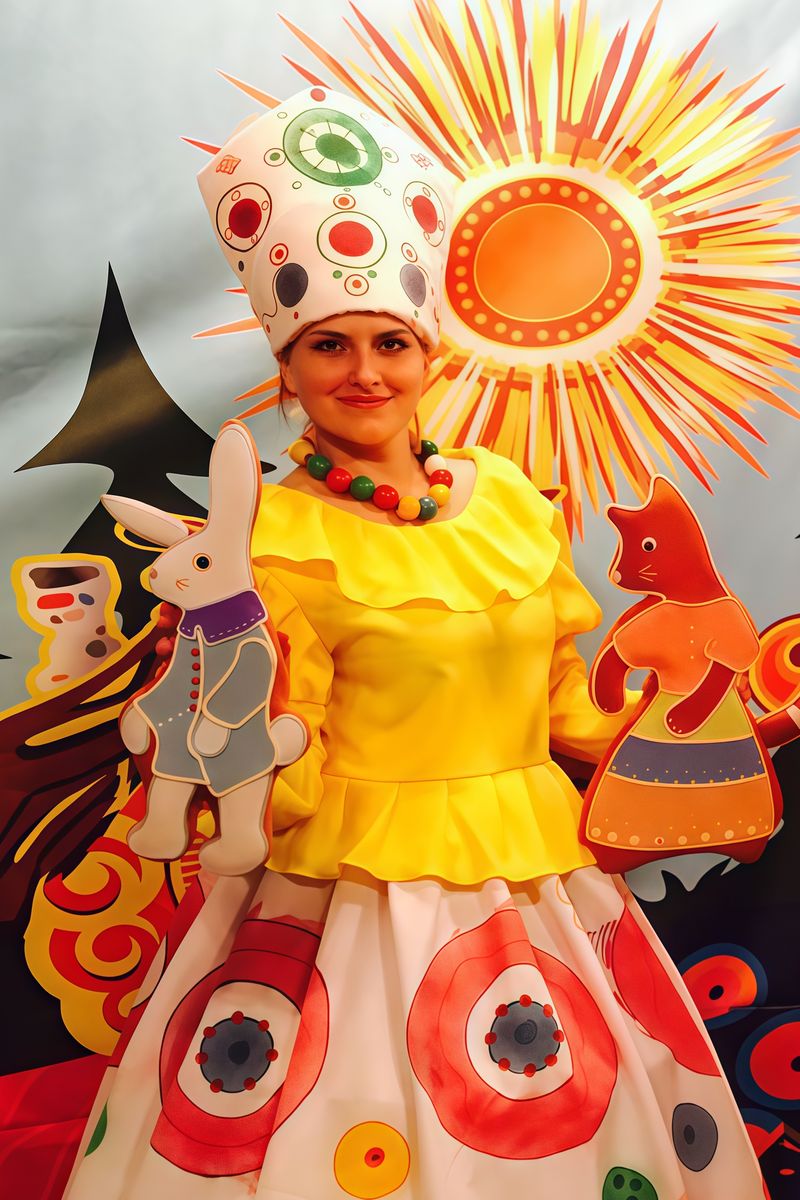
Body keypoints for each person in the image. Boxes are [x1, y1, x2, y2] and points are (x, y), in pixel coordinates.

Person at [64, 88, 764, 1199]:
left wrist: (684, 738)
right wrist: (221, 765)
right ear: (286, 366)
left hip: (537, 880)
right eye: (327, 346)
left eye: (391, 341)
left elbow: (562, 703)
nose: (365, 372)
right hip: (344, 897)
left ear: (428, 352)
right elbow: (278, 750)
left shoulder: (510, 502)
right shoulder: (268, 538)